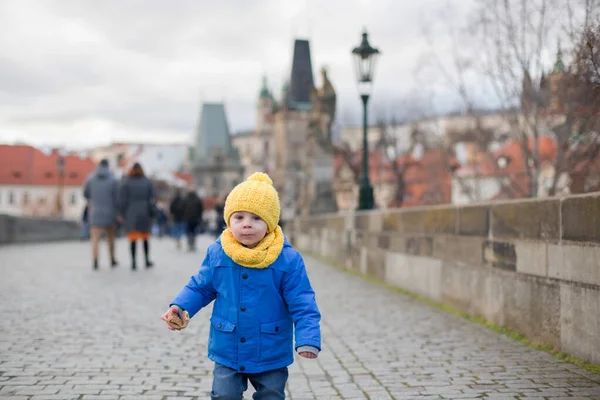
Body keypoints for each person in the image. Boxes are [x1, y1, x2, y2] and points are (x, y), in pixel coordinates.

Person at [161, 172, 321, 400]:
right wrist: (179, 306)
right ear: (228, 221)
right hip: (228, 346)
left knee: (272, 395)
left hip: (270, 348)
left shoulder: (288, 260)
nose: (247, 225)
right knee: (224, 395)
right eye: (239, 218)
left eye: (256, 218)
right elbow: (201, 287)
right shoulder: (218, 253)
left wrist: (308, 338)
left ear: (270, 223)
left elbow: (303, 302)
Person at [83, 158, 119, 270]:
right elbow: (117, 197)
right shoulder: (113, 179)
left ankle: (95, 260)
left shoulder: (90, 178)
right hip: (110, 212)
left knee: (95, 239)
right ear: (108, 166)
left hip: (95, 212)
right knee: (111, 238)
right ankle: (112, 259)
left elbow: (85, 194)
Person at [119, 162, 155, 270]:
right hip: (144, 212)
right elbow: (152, 198)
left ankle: (134, 262)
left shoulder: (126, 183)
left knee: (133, 238)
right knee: (145, 238)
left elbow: (122, 200)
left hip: (131, 213)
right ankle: (147, 260)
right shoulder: (147, 182)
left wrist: (123, 213)